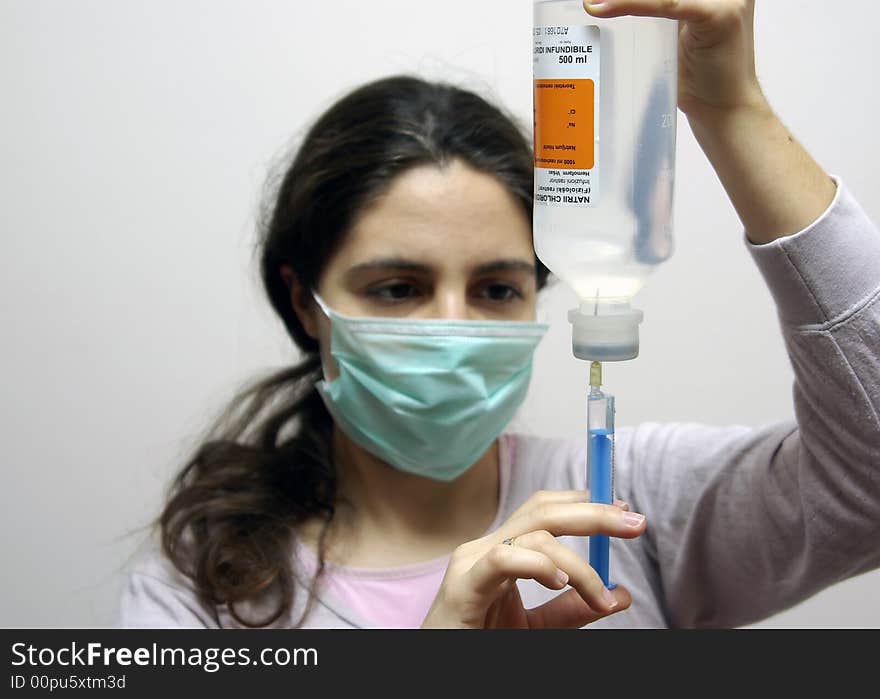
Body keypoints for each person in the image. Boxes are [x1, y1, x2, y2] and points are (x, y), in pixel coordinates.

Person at [117, 0, 880, 629]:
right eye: (397, 287)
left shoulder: (623, 503)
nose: (457, 327)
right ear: (302, 301)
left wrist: (732, 109)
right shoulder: (205, 589)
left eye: (497, 289)